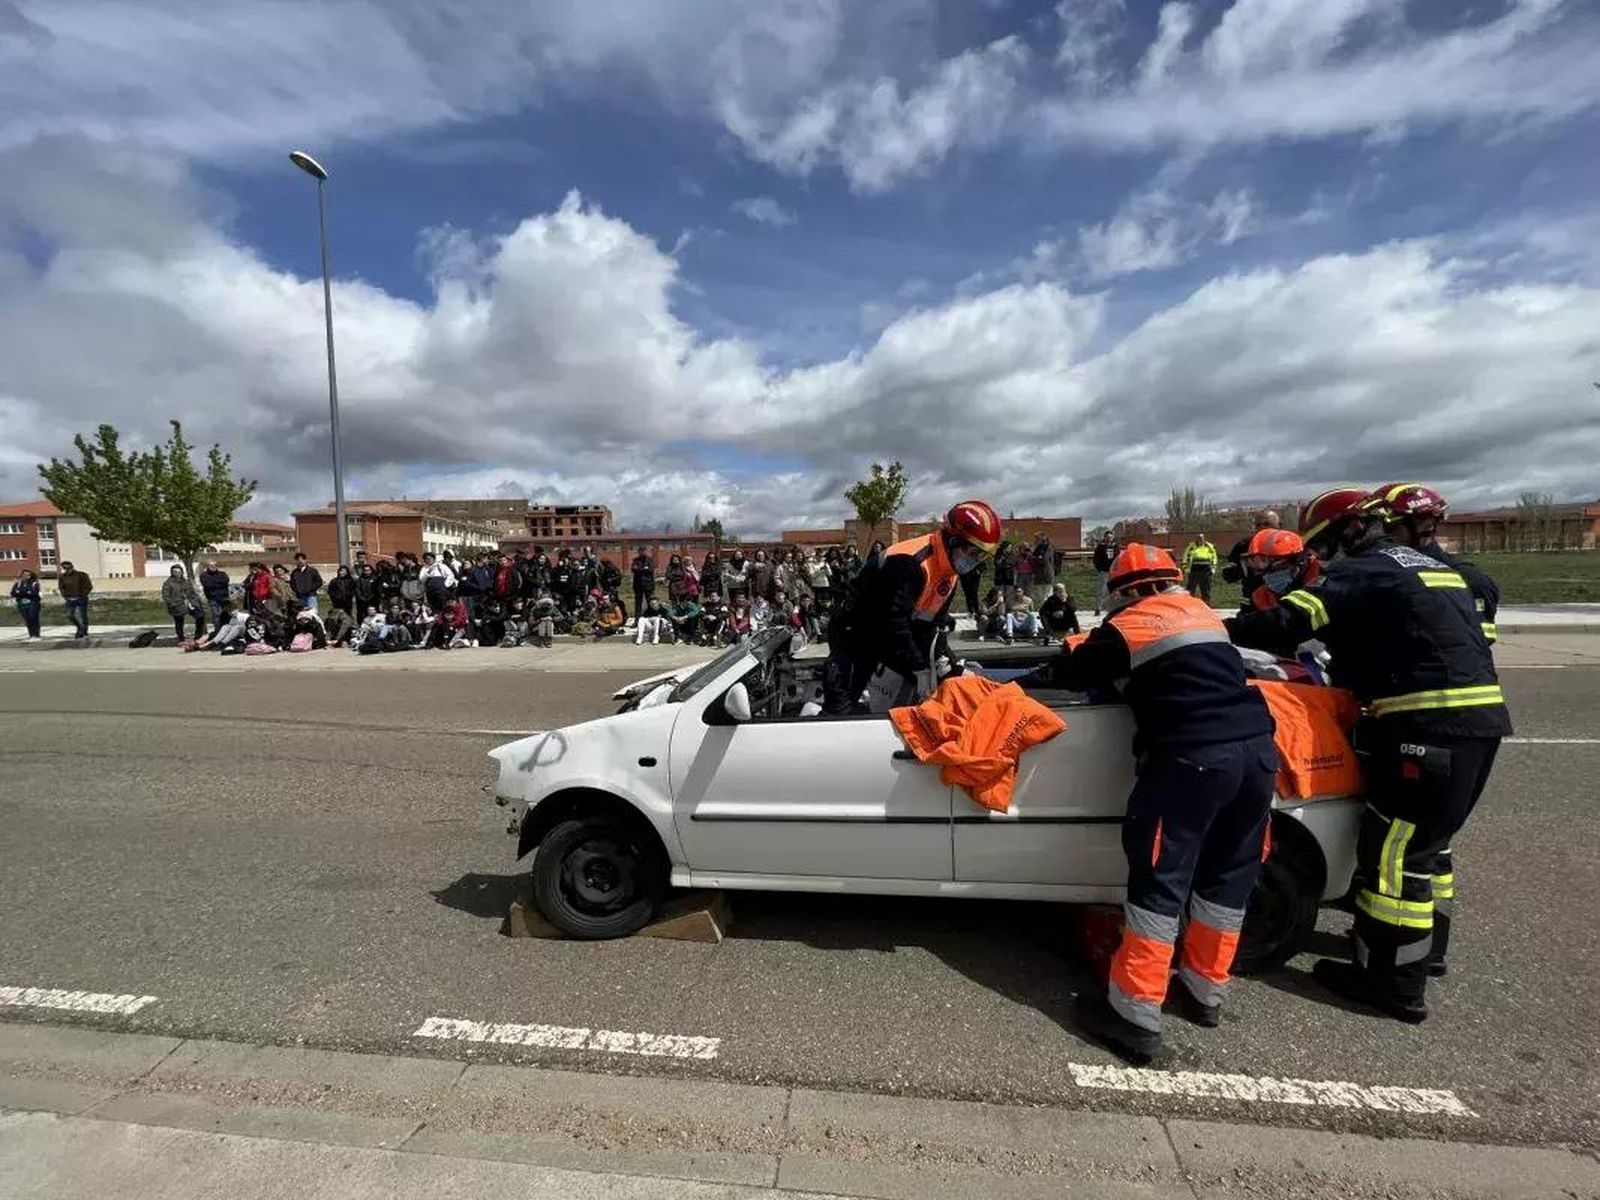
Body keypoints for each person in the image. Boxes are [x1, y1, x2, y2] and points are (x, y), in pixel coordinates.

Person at [1227, 488, 1509, 1023]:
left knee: (1395, 856)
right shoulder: (1431, 568)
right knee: (1429, 849)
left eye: (1329, 543)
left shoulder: (1366, 569)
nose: (1327, 556)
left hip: (1425, 728)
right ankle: (1424, 956)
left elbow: (1290, 622)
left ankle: (1392, 985)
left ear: (1355, 531)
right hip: (1475, 723)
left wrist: (1207, 633)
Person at [1044, 544, 1278, 1064]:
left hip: (1192, 760)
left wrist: (1080, 646)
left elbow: (1071, 675)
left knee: (1160, 881)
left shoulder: (1132, 623)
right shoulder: (1201, 612)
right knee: (1226, 879)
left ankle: (1133, 1016)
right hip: (1257, 753)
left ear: (1128, 591)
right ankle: (1204, 991)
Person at [823, 500, 1002, 715]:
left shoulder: (949, 575)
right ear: (954, 540)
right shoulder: (911, 562)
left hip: (886, 633)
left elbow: (931, 628)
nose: (974, 561)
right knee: (842, 705)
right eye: (973, 553)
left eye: (981, 556)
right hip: (853, 631)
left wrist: (948, 666)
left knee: (922, 690)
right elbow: (895, 621)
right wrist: (919, 668)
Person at [1365, 483, 1499, 644]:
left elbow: (1475, 643)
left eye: (1385, 526)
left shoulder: (1473, 581)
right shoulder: (1378, 569)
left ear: (1426, 525)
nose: (1376, 533)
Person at [1223, 511, 1281, 609]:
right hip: (1251, 603)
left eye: (1267, 524)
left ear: (1279, 525)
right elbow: (1228, 575)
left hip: (1281, 603)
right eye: (1258, 525)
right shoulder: (1243, 545)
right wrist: (1245, 567)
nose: (1262, 527)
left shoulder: (1289, 543)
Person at [161, 565, 206, 642]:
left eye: (179, 571)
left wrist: (194, 602)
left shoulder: (186, 582)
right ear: (172, 573)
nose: (178, 573)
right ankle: (181, 638)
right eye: (175, 572)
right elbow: (166, 596)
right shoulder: (168, 583)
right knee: (179, 621)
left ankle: (198, 636)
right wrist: (172, 604)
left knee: (200, 616)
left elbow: (192, 593)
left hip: (189, 604)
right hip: (177, 605)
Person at [56, 561, 93, 638]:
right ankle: (80, 628)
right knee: (69, 615)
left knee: (82, 616)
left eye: (69, 567)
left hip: (81, 598)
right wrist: (65, 595)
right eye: (65, 568)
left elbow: (89, 586)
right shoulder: (62, 577)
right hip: (70, 599)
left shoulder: (81, 575)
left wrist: (83, 595)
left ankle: (84, 632)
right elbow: (61, 587)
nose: (67, 569)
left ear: (72, 567)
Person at [1183, 534, 1218, 603]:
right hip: (1194, 570)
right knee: (1191, 589)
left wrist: (1213, 569)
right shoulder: (1191, 547)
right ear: (1196, 539)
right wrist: (1186, 569)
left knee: (1206, 589)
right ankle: (1189, 604)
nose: (1200, 539)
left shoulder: (1209, 547)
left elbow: (1214, 558)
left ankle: (1206, 604)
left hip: (1206, 571)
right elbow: (1186, 557)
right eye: (1198, 538)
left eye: (1201, 538)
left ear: (1204, 539)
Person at [10, 569, 42, 639]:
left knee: (33, 618)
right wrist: (25, 593)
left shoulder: (34, 583)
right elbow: (13, 593)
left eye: (28, 575)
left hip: (33, 603)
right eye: (24, 575)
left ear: (30, 576)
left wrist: (20, 593)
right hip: (22, 604)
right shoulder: (18, 584)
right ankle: (31, 635)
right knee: (27, 620)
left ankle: (36, 635)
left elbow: (34, 593)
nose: (26, 576)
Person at [198, 561, 231, 627]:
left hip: (224, 597)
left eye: (215, 565)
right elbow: (208, 585)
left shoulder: (222, 574)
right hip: (213, 598)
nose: (213, 567)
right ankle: (217, 629)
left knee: (226, 613)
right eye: (211, 565)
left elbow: (226, 581)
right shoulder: (204, 575)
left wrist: (214, 582)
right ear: (208, 566)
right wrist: (219, 583)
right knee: (216, 614)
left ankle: (226, 627)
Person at [1091, 534, 1116, 615]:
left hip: (1114, 572)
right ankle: (1098, 608)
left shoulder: (1115, 547)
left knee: (1113, 590)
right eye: (1107, 537)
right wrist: (1099, 569)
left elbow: (1118, 558)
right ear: (1105, 538)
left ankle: (1112, 608)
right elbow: (1095, 559)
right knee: (1101, 590)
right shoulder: (1100, 548)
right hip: (1104, 571)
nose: (1109, 539)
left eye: (1110, 537)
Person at [630, 549, 656, 623]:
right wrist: (644, 569)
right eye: (640, 552)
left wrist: (639, 569)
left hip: (648, 585)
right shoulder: (635, 560)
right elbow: (633, 569)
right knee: (638, 603)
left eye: (644, 551)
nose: (642, 553)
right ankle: (637, 619)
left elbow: (651, 570)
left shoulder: (650, 560)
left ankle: (651, 617)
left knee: (650, 602)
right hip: (638, 585)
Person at [1031, 533, 1055, 602]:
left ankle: (1048, 610)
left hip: (1047, 574)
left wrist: (1037, 558)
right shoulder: (1037, 548)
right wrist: (1037, 557)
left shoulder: (1048, 547)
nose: (1036, 540)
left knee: (1047, 595)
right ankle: (1043, 610)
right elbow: (1032, 559)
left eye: (1037, 538)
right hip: (1038, 576)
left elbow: (1045, 560)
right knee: (1040, 596)